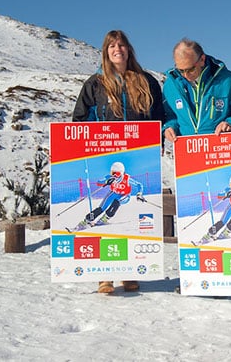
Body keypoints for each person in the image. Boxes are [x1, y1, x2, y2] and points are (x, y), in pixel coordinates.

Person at [72, 29, 164, 294]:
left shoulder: (146, 81)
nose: (117, 50)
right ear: (106, 51)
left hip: (137, 157)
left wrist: (155, 146)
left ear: (129, 50)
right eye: (112, 46)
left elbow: (157, 116)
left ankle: (131, 271)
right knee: (107, 217)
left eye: (122, 45)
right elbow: (80, 119)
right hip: (106, 156)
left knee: (130, 216)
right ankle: (104, 275)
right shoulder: (95, 84)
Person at [162, 38, 231, 142]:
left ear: (202, 60)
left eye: (190, 69)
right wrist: (169, 127)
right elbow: (170, 115)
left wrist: (230, 123)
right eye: (181, 70)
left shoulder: (228, 81)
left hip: (219, 148)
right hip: (186, 150)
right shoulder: (170, 85)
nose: (186, 75)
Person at [72, 162, 144, 230]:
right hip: (113, 193)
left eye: (115, 173)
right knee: (101, 208)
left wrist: (139, 194)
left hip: (124, 195)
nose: (113, 174)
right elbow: (99, 182)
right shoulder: (110, 177)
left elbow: (139, 185)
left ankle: (105, 218)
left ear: (120, 173)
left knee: (116, 202)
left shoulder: (126, 179)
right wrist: (106, 181)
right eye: (112, 172)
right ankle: (87, 220)